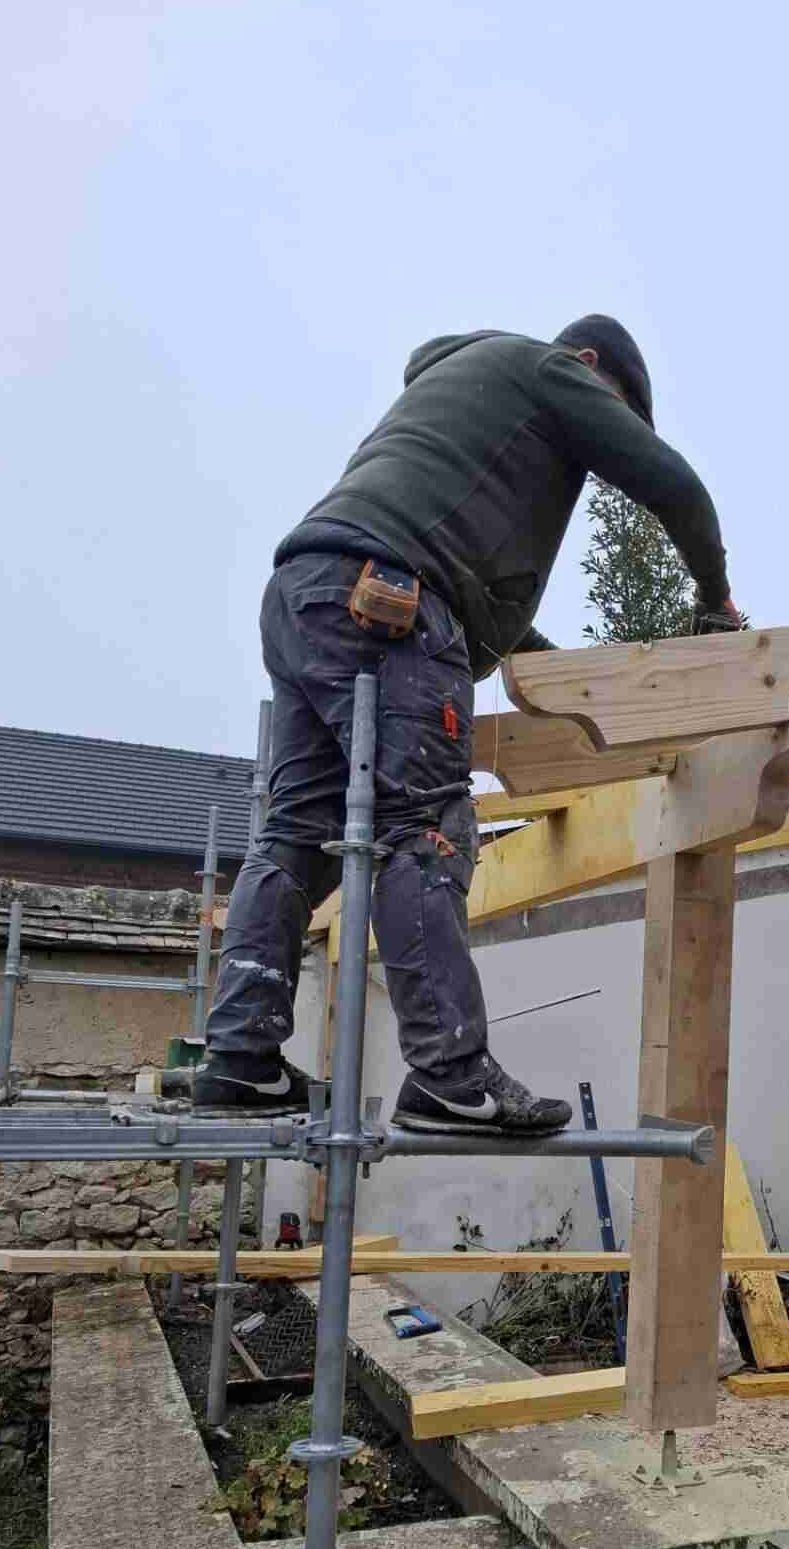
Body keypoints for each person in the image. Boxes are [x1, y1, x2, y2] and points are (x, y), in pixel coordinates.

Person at [195, 317, 740, 1133]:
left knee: (299, 834)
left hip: (308, 592)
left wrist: (552, 669)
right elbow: (675, 486)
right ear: (591, 367)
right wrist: (713, 598)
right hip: (392, 611)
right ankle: (451, 1074)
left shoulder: (463, 407)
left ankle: (241, 1058)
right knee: (428, 827)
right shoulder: (554, 370)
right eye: (615, 409)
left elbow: (469, 578)